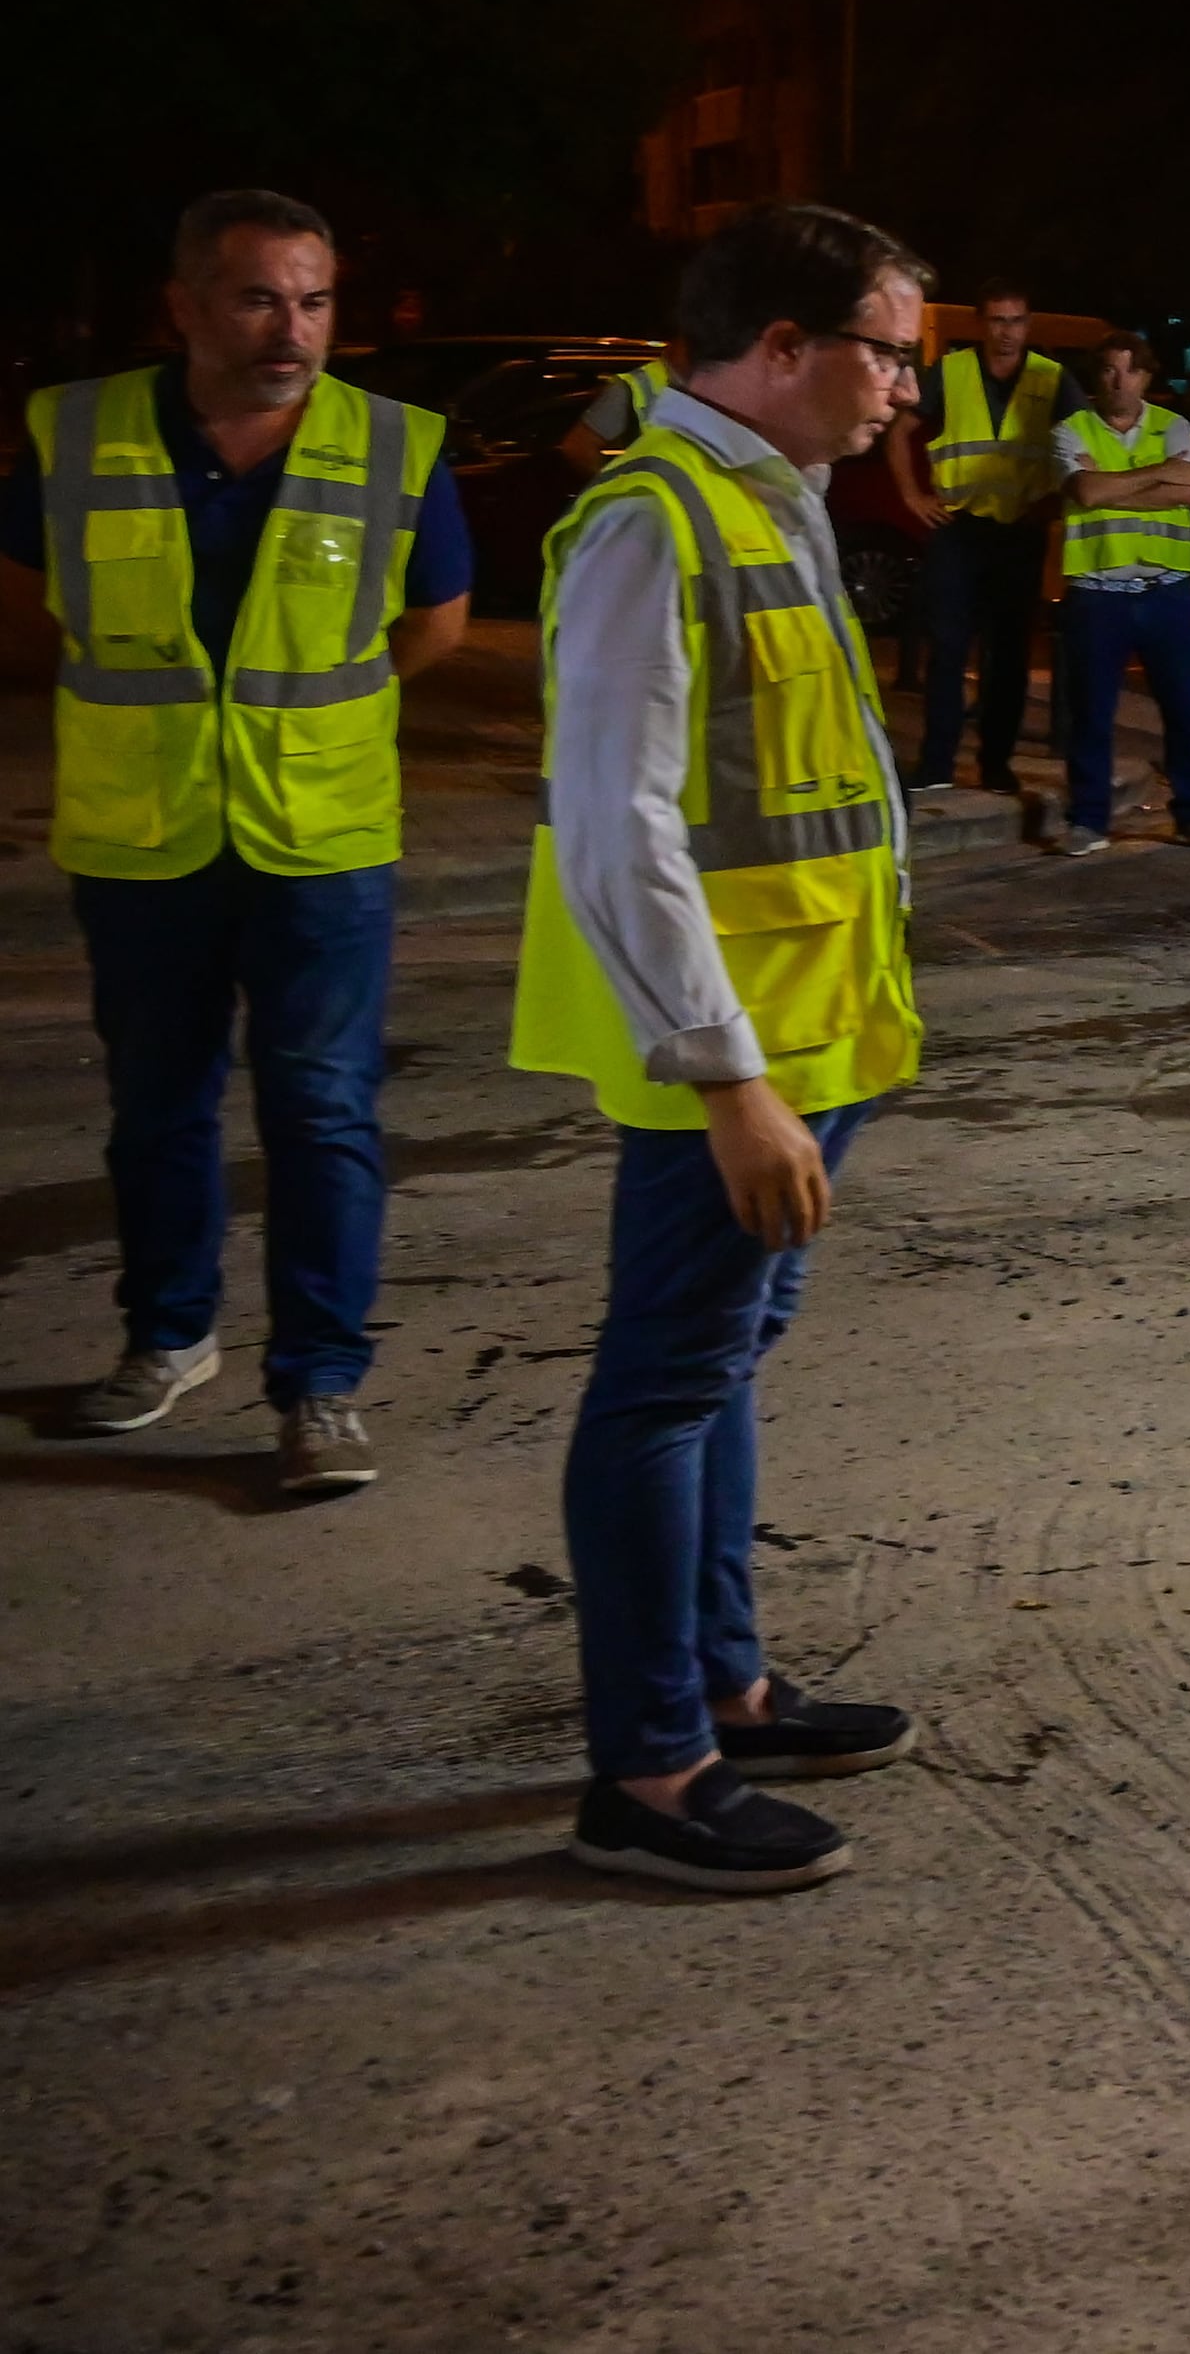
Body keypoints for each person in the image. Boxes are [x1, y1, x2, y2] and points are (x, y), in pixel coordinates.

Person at [513, 201, 937, 1894]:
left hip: (812, 1027)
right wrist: (730, 1076)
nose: (909, 384)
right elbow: (617, 823)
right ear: (779, 347)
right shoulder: (651, 523)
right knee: (666, 1386)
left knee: (723, 1367)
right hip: (734, 1056)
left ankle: (726, 1684)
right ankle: (652, 1769)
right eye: (886, 350)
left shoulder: (776, 498)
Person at [9, 189, 470, 1497]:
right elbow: (25, 603)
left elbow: (436, 619)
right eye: (261, 297)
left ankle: (320, 1387)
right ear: (186, 306)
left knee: (322, 1114)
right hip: (144, 839)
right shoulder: (78, 431)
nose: (294, 328)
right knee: (157, 1110)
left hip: (318, 841)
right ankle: (169, 1338)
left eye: (316, 299)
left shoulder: (391, 444)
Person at [1048, 331, 1190, 855]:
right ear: (1096, 375)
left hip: (1166, 589)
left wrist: (1114, 486)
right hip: (1098, 591)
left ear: (1147, 377)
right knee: (1092, 714)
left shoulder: (1174, 426)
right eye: (1108, 370)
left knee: (1184, 710)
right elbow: (1085, 491)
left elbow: (1187, 490)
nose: (1119, 381)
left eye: (1130, 371)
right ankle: (1087, 821)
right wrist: (1156, 477)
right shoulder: (1070, 430)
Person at [881, 280, 1064, 796]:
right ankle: (937, 765)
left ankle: (995, 763)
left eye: (1017, 321)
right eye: (998, 321)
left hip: (1018, 534)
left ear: (1028, 325)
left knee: (1007, 658)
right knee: (948, 650)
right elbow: (898, 433)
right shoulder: (953, 371)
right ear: (981, 325)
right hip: (959, 532)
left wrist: (1051, 505)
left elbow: (1082, 447)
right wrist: (913, 496)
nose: (1007, 332)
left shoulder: (1052, 379)